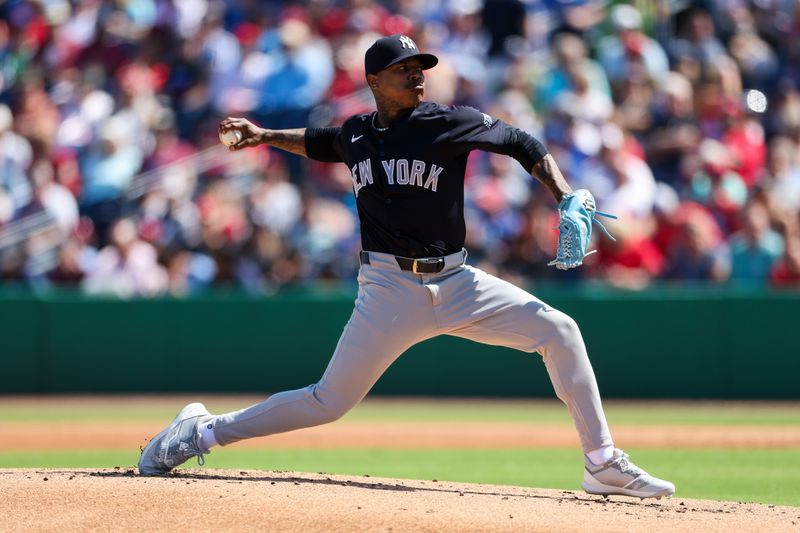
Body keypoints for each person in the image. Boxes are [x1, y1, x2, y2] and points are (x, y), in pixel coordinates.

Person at [139, 34, 675, 499]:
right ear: (374, 79)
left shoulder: (448, 123)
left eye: (421, 68)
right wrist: (265, 136)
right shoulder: (356, 133)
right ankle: (199, 434)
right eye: (404, 69)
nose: (418, 75)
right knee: (328, 402)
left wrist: (560, 192)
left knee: (560, 330)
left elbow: (519, 140)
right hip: (389, 288)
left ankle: (601, 463)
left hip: (460, 282)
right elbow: (321, 143)